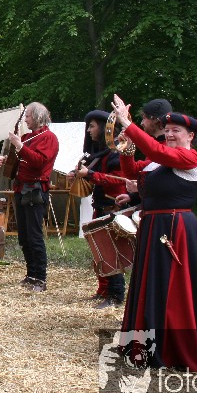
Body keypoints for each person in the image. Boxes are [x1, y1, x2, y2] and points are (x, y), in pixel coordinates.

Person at [109, 94, 197, 372]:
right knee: (152, 285)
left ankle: (172, 348)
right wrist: (127, 147)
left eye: (176, 131)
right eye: (167, 130)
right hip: (155, 226)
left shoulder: (190, 158)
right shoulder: (160, 159)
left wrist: (128, 123)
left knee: (173, 288)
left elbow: (158, 153)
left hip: (175, 229)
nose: (169, 134)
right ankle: (145, 344)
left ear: (190, 136)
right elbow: (132, 171)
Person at [0, 102, 59, 291]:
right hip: (21, 189)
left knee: (34, 235)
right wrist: (7, 160)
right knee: (24, 236)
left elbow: (39, 162)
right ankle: (31, 274)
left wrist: (19, 146)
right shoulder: (27, 137)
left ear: (38, 116)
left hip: (35, 190)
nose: (25, 120)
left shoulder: (48, 138)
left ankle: (40, 278)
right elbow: (20, 161)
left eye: (28, 116)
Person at [71, 110, 129, 308]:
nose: (88, 130)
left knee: (111, 252)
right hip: (102, 207)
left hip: (114, 208)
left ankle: (116, 296)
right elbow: (94, 172)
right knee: (101, 252)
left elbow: (118, 180)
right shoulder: (101, 153)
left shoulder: (117, 152)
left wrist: (90, 174)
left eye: (92, 126)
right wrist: (78, 174)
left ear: (104, 128)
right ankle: (104, 290)